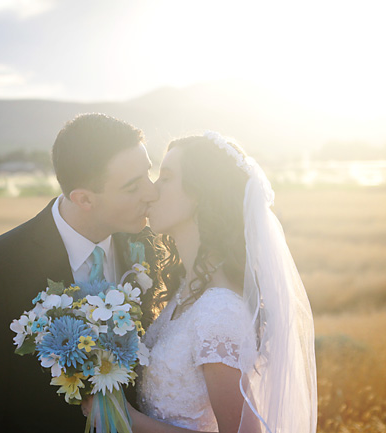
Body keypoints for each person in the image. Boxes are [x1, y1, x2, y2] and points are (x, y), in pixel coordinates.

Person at [0, 113, 159, 433]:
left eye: (148, 173)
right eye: (133, 187)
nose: (151, 192)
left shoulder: (153, 248)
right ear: (83, 198)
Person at [124, 132, 317, 432]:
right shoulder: (187, 291)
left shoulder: (218, 310)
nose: (151, 191)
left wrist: (130, 421)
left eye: (166, 177)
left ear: (201, 193)